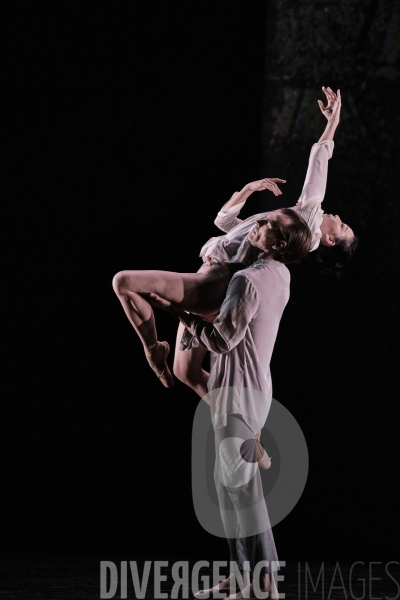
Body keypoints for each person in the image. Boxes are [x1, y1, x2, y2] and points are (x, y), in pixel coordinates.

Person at [112, 87, 357, 390]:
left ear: (330, 241)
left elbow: (318, 164)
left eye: (342, 225)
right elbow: (225, 223)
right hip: (217, 281)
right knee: (185, 372)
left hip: (215, 280)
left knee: (124, 282)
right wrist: (249, 190)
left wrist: (332, 123)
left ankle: (152, 350)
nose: (336, 216)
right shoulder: (283, 224)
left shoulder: (308, 222)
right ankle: (245, 435)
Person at [148, 211, 313, 599]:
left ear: (280, 244)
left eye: (268, 224)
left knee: (243, 493)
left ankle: (265, 583)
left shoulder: (248, 279)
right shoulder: (280, 275)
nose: (257, 224)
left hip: (236, 393)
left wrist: (176, 311)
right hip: (249, 390)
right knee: (231, 491)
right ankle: (243, 575)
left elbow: (220, 342)